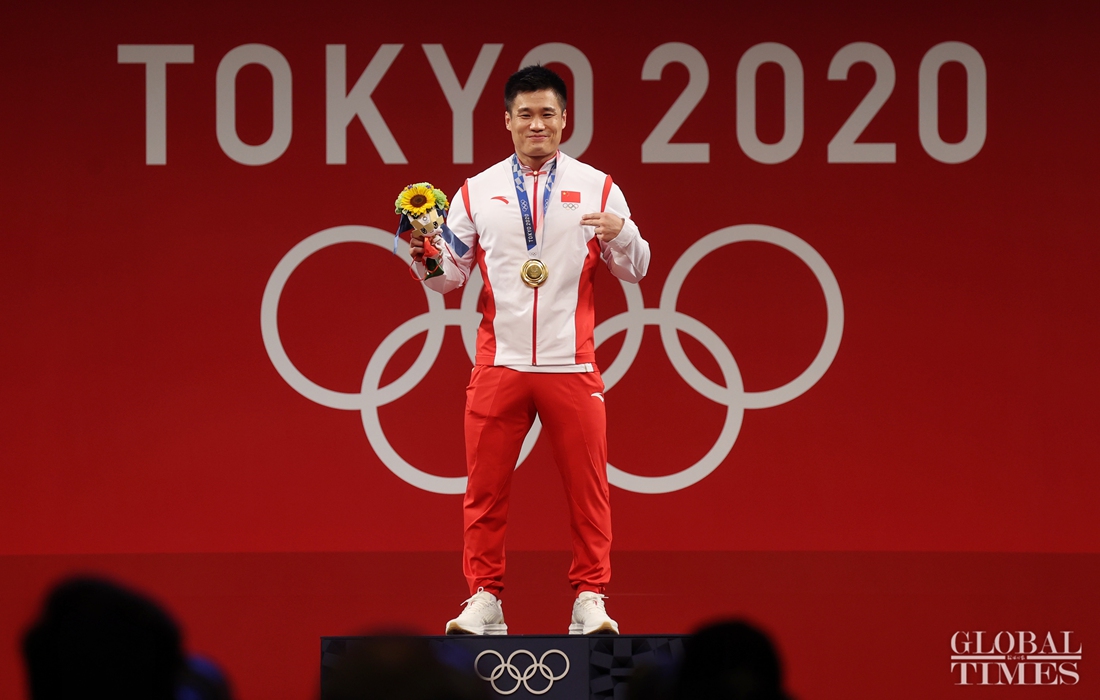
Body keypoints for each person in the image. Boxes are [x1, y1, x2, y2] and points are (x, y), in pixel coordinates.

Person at [408, 65, 650, 635]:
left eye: (547, 113)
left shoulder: (600, 187)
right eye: (525, 114)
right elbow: (448, 278)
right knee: (484, 490)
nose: (536, 124)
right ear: (507, 122)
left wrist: (621, 232)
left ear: (565, 120)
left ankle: (590, 597)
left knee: (589, 490)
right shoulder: (477, 191)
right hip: (501, 362)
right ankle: (484, 597)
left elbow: (636, 270)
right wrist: (423, 251)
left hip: (572, 362)